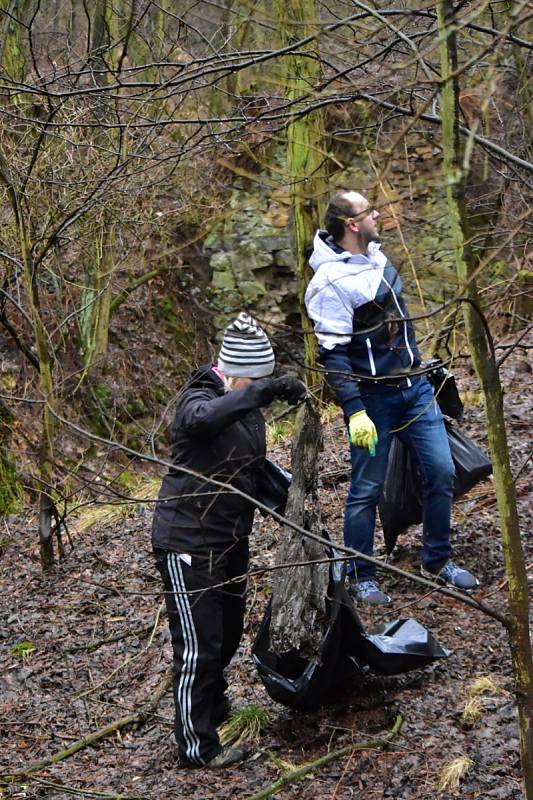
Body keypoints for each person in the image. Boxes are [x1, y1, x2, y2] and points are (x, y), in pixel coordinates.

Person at [304, 190, 479, 606]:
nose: (378, 215)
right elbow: (333, 355)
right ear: (351, 224)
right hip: (373, 401)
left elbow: (402, 329)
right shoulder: (328, 282)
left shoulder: (380, 260)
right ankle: (362, 574)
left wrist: (422, 369)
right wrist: (356, 411)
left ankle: (436, 560)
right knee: (365, 489)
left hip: (414, 389)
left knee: (441, 472)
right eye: (369, 211)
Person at [152, 312, 306, 768]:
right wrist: (263, 388)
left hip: (230, 539)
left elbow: (253, 474)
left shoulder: (247, 412)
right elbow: (203, 419)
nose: (254, 394)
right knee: (199, 646)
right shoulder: (196, 398)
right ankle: (197, 746)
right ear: (235, 373)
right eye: (251, 383)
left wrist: (297, 511)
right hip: (186, 542)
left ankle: (214, 706)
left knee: (228, 633)